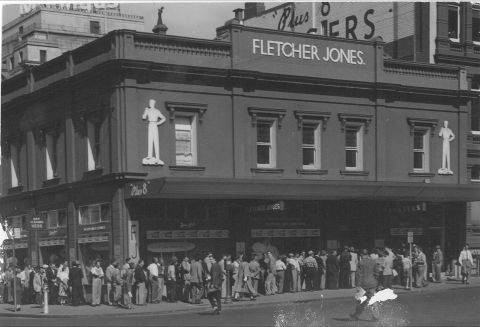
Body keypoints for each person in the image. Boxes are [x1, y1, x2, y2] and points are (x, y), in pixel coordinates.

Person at [349, 249, 380, 321]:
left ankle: (356, 315)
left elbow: (359, 275)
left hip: (363, 284)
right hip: (372, 283)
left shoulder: (361, 262)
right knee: (372, 299)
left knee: (360, 300)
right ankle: (376, 316)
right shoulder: (373, 261)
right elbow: (377, 273)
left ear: (361, 255)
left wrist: (357, 285)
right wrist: (375, 281)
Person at [142, 98, 166, 165]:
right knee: (150, 139)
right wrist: (145, 112)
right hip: (150, 124)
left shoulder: (157, 111)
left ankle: (157, 158)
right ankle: (150, 156)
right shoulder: (148, 110)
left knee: (156, 140)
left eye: (151, 103)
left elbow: (164, 118)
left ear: (153, 104)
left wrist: (158, 123)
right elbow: (144, 117)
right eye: (150, 103)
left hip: (154, 124)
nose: (150, 104)